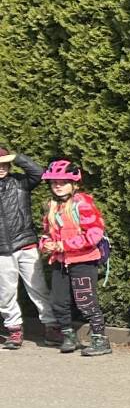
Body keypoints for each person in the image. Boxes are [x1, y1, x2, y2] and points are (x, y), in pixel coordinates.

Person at [38, 159, 113, 357]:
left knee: (86, 302)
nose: (58, 186)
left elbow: (94, 234)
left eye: (63, 182)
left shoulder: (83, 203)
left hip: (83, 260)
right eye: (54, 183)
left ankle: (100, 339)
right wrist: (46, 244)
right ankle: (69, 336)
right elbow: (46, 233)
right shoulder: (51, 206)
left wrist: (65, 245)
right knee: (58, 302)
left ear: (74, 184)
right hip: (60, 262)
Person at [0, 145, 53, 350]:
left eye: (5, 164)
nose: (1, 168)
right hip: (2, 249)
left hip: (26, 244)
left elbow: (39, 173)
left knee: (38, 288)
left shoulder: (21, 182)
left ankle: (51, 326)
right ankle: (14, 329)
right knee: (6, 293)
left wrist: (17, 157)